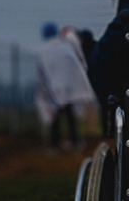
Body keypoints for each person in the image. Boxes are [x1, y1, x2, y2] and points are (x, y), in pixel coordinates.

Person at [36, 22, 98, 151]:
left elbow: (42, 72)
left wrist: (45, 90)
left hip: (54, 88)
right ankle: (76, 143)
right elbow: (77, 64)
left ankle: (54, 144)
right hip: (70, 87)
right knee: (70, 116)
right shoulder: (65, 46)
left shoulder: (43, 50)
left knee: (55, 118)